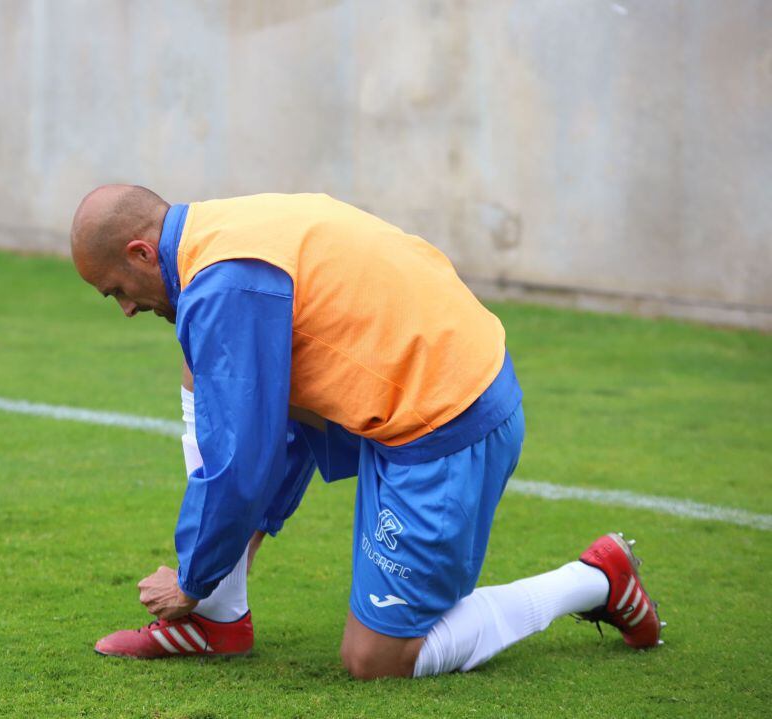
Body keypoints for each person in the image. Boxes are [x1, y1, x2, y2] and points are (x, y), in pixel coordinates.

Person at [69, 185, 663, 679]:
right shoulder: (218, 231)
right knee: (204, 362)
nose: (124, 308)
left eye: (117, 291)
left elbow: (243, 459)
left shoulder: (224, 285)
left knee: (376, 659)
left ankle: (595, 580)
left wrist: (193, 578)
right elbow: (279, 425)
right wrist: (220, 570)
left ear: (143, 253)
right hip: (431, 379)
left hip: (447, 419)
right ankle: (218, 622)